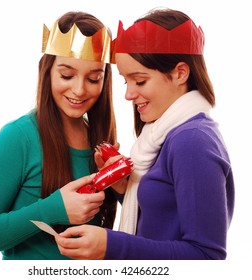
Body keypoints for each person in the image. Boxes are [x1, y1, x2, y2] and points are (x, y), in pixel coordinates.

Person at [55, 8, 235, 260]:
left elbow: (206, 256)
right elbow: (161, 221)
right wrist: (123, 189)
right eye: (125, 81)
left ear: (180, 73)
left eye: (139, 81)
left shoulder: (192, 141)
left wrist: (111, 245)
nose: (128, 94)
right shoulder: (161, 135)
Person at [0, 11, 118, 260]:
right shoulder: (18, 137)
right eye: (66, 75)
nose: (79, 89)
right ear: (47, 71)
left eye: (93, 78)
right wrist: (52, 209)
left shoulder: (99, 140)